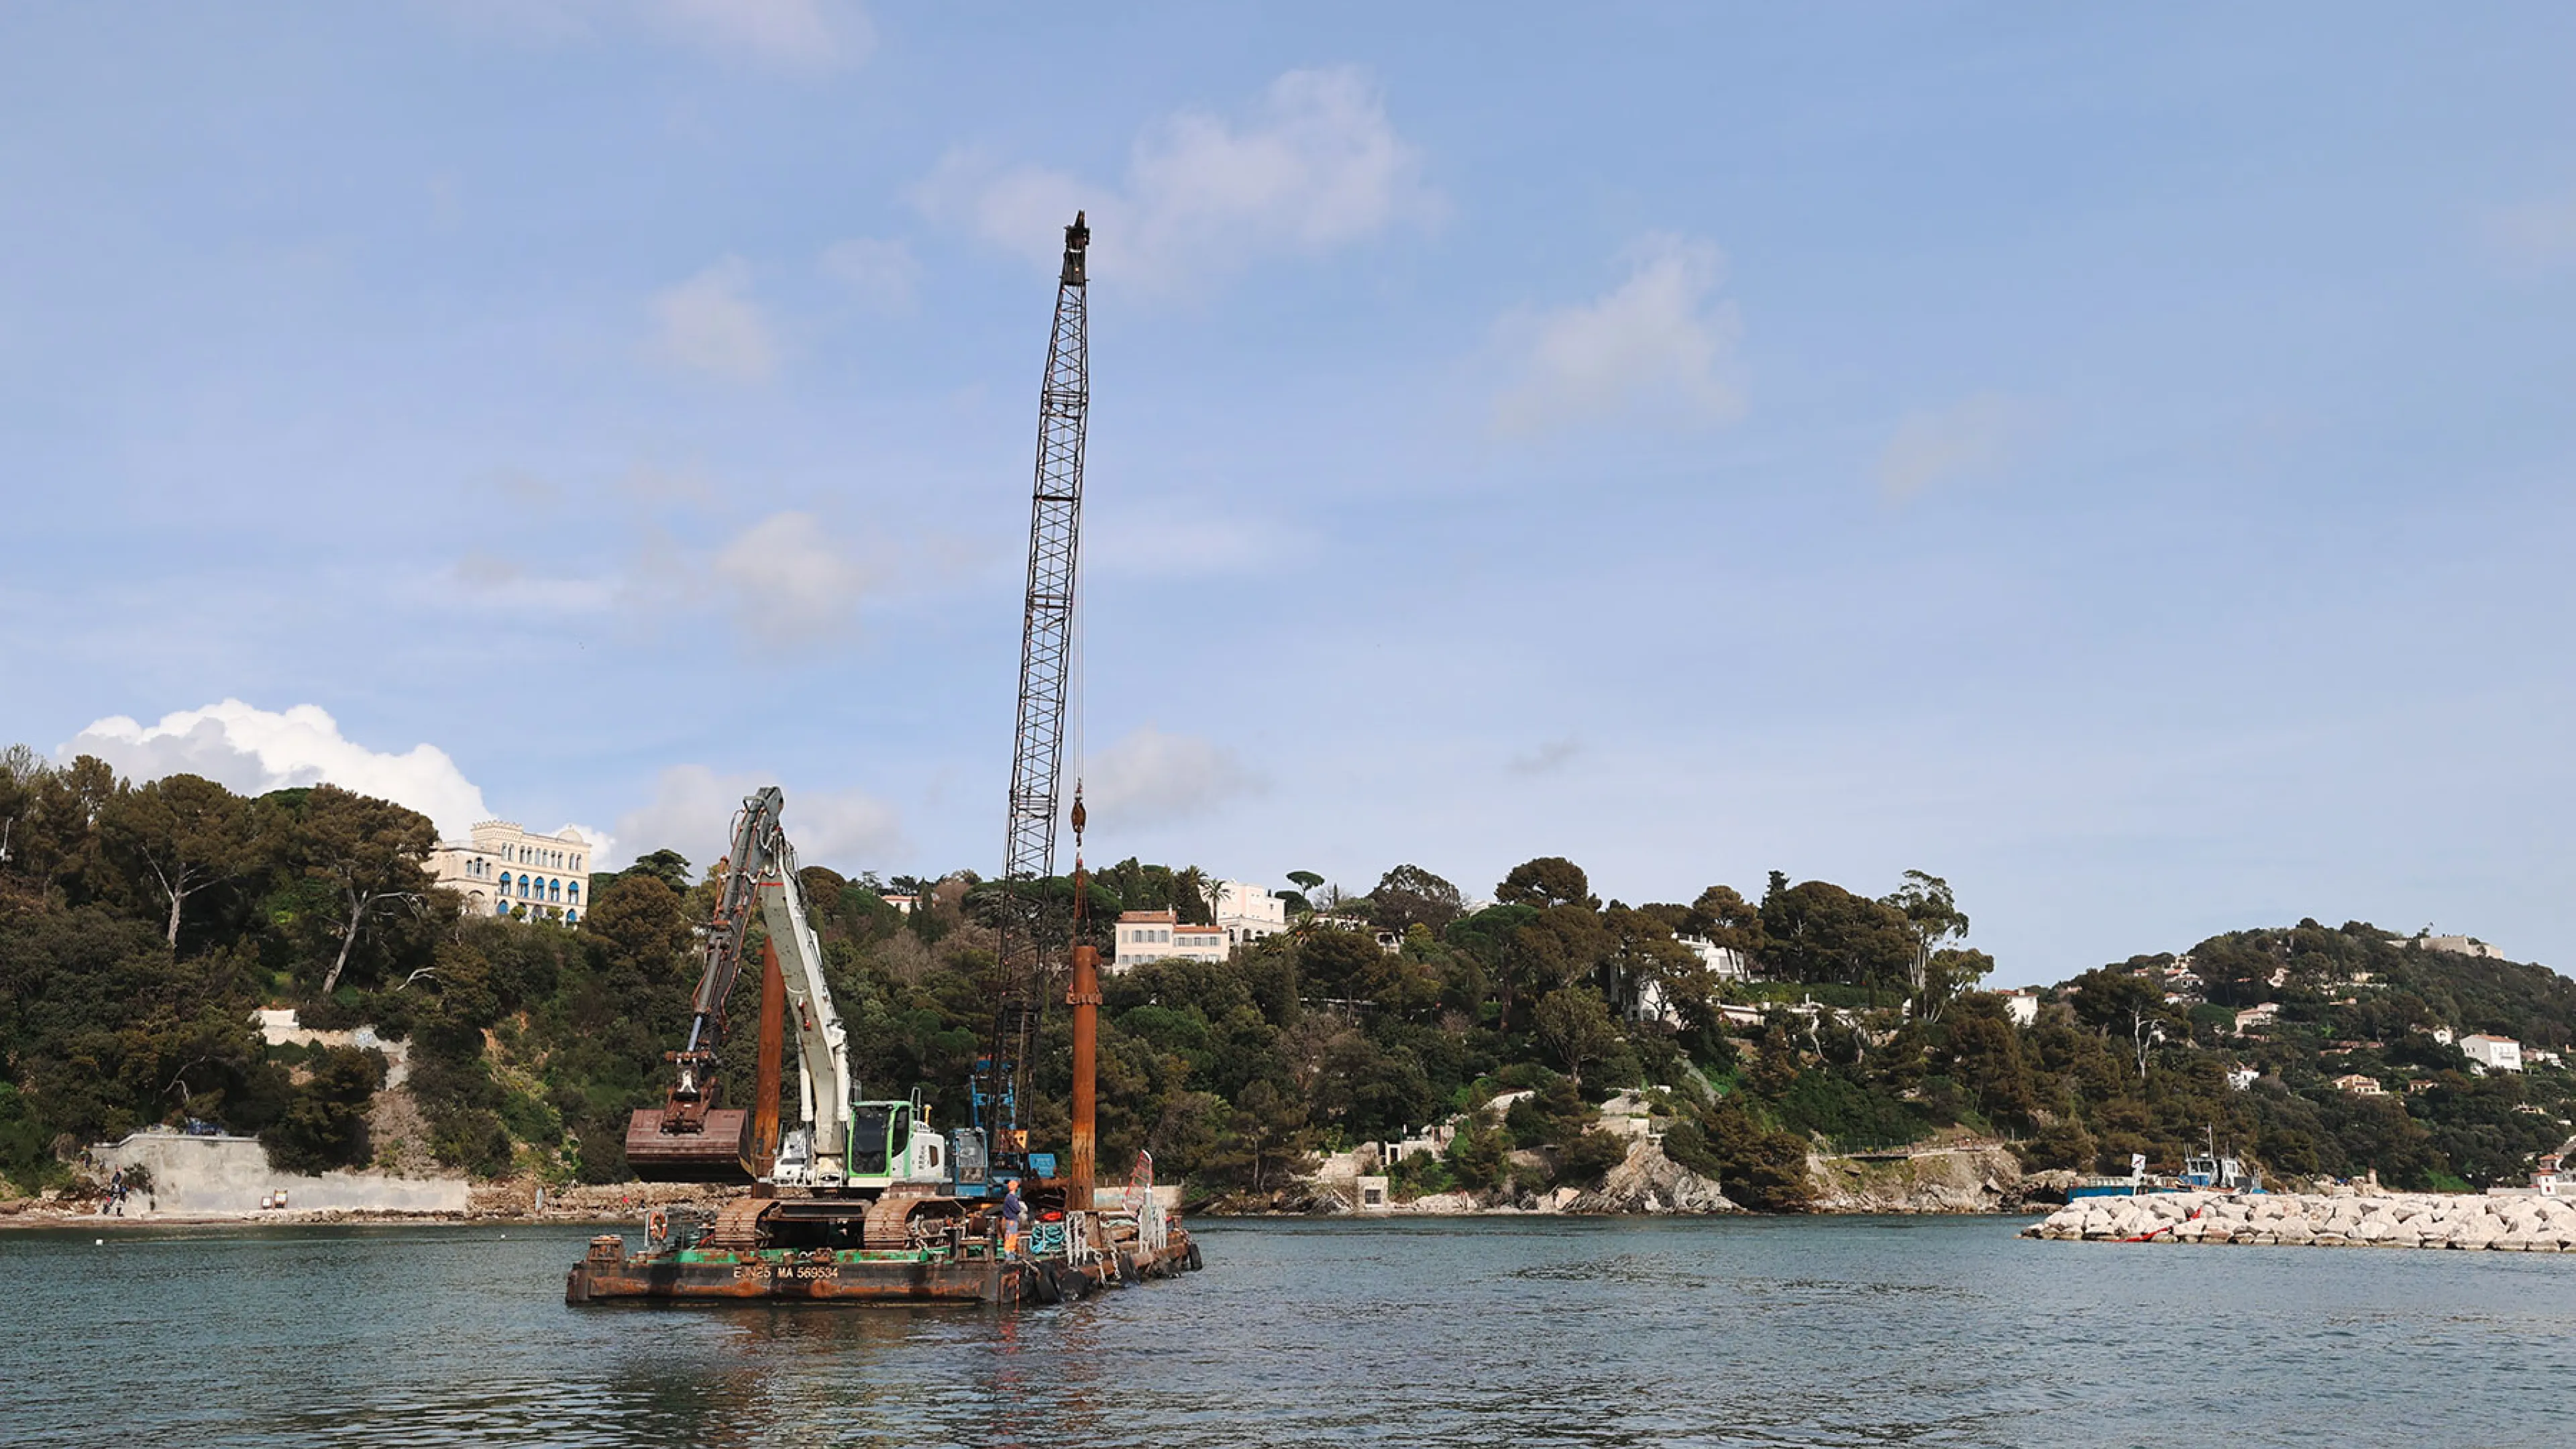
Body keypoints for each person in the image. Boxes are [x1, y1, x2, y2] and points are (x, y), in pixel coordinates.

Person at [999, 1179, 1024, 1257]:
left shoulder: (1009, 1197)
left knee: (1011, 1237)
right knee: (1011, 1238)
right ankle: (1010, 1255)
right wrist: (1020, 1206)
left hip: (1011, 1220)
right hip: (1012, 1220)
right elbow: (1017, 1209)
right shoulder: (1011, 1198)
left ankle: (1011, 1254)